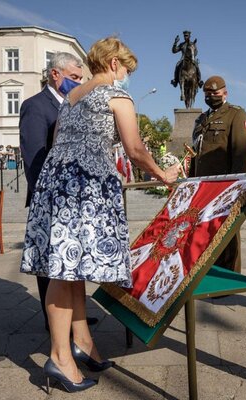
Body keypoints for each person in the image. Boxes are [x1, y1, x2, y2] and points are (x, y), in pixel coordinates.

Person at [20, 37, 180, 393]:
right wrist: (162, 174)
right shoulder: (117, 96)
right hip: (85, 189)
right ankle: (60, 357)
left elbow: (60, 142)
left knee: (68, 270)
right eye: (126, 69)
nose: (127, 76)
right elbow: (135, 148)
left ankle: (82, 341)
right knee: (64, 274)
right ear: (112, 64)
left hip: (57, 184)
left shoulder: (70, 99)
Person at [19, 51, 94, 331]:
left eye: (80, 78)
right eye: (74, 77)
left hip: (73, 197)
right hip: (50, 197)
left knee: (70, 260)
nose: (78, 82)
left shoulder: (73, 104)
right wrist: (45, 197)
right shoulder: (36, 106)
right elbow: (34, 155)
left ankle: (75, 318)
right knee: (50, 265)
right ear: (55, 74)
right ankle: (55, 324)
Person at [189, 75, 246, 273]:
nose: (211, 96)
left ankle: (230, 273)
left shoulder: (236, 114)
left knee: (227, 230)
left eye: (215, 92)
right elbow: (196, 154)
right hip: (203, 185)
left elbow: (241, 151)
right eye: (207, 93)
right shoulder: (201, 119)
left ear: (225, 93)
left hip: (225, 183)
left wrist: (235, 184)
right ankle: (210, 269)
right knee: (206, 229)